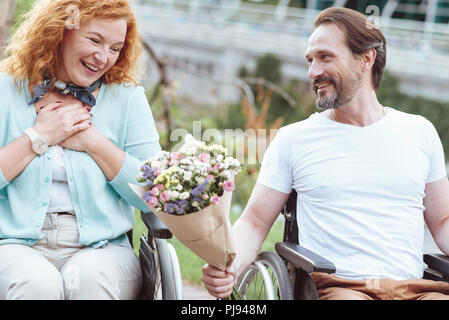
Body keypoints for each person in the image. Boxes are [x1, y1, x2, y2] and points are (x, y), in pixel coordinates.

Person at [202, 7, 449, 300]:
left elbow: (443, 221)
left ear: (366, 58)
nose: (313, 72)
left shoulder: (419, 131)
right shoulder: (295, 139)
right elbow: (254, 222)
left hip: (415, 289)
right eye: (310, 60)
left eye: (325, 57)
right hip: (340, 289)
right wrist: (227, 266)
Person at [0, 0, 160, 299]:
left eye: (115, 48)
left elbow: (154, 193)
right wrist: (38, 136)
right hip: (11, 244)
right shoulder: (6, 90)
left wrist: (93, 143)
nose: (103, 57)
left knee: (86, 279)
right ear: (60, 31)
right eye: (94, 40)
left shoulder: (128, 99)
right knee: (36, 283)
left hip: (104, 249)